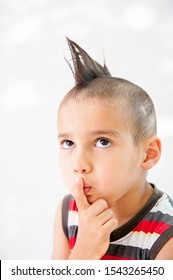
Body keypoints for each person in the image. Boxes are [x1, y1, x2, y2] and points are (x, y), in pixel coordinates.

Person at [52, 38, 173, 260]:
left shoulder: (165, 235)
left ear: (148, 154)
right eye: (68, 143)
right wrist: (83, 253)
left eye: (102, 142)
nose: (79, 165)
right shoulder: (68, 212)